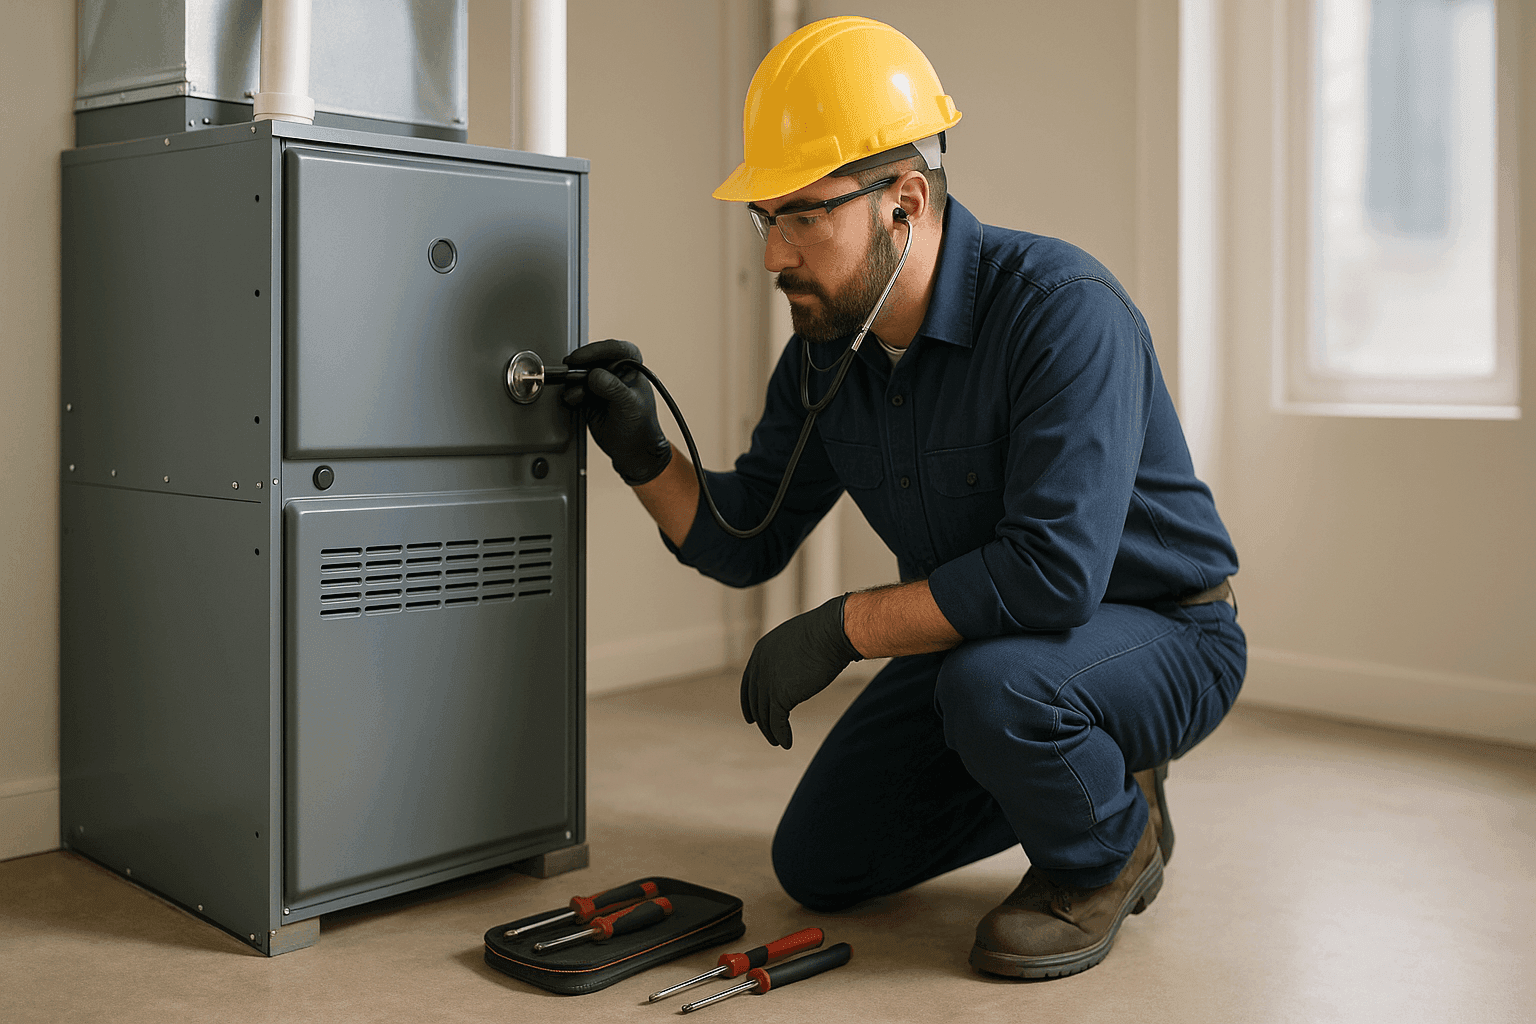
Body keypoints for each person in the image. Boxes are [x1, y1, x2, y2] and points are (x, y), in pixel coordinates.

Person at [561, 16, 1245, 979]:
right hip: (985, 645)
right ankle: (1085, 765)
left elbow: (1051, 581)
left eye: (804, 215)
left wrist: (842, 628)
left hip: (1164, 633)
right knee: (818, 863)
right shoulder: (826, 356)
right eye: (766, 218)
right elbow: (743, 540)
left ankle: (1105, 847)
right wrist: (640, 450)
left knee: (998, 690)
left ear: (905, 202)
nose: (774, 258)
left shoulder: (1062, 311)